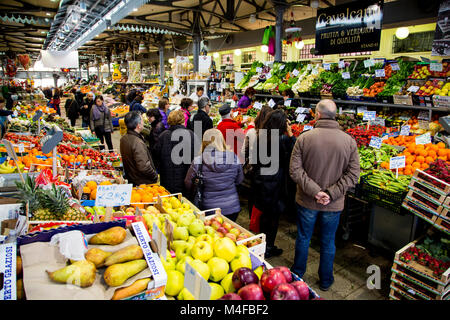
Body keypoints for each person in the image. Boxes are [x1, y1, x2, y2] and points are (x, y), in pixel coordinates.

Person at [289, 99, 360, 291]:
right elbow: (353, 175)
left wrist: (316, 192)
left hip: (306, 200)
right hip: (333, 204)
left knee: (303, 238)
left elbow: (295, 171)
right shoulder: (349, 141)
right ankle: (326, 280)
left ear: (317, 114)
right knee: (328, 241)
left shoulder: (304, 138)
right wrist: (330, 194)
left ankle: (297, 275)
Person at [251, 109, 296, 258]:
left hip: (261, 182)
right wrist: (290, 134)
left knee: (265, 216)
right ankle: (268, 246)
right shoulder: (282, 140)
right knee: (273, 218)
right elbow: (295, 152)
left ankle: (263, 244)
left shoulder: (260, 137)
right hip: (275, 185)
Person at [184, 129, 243, 221]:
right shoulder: (233, 157)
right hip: (232, 207)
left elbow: (188, 183)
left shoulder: (198, 161)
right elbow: (239, 180)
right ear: (222, 140)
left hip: (209, 208)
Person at [154, 110, 198, 194]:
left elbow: (156, 156)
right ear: (182, 120)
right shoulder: (191, 135)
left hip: (166, 178)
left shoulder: (163, 136)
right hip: (185, 179)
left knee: (168, 202)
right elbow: (196, 157)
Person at [241, 105, 272, 218]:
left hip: (253, 168)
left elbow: (243, 152)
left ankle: (252, 218)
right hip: (268, 171)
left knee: (253, 194)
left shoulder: (251, 132)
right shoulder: (273, 134)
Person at [120, 111, 158, 186]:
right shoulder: (137, 143)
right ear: (138, 125)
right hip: (142, 182)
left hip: (132, 178)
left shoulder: (124, 138)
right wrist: (154, 176)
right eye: (142, 120)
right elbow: (144, 167)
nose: (143, 122)